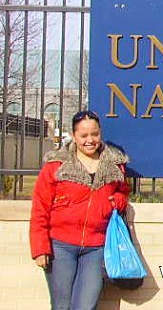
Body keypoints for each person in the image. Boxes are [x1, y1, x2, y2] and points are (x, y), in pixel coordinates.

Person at [30, 110, 130, 309]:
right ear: (74, 136)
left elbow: (123, 191)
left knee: (86, 306)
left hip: (96, 247)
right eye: (84, 135)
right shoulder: (57, 166)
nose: (90, 140)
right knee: (62, 306)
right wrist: (40, 248)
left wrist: (117, 201)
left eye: (94, 134)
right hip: (61, 246)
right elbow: (40, 208)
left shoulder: (114, 165)